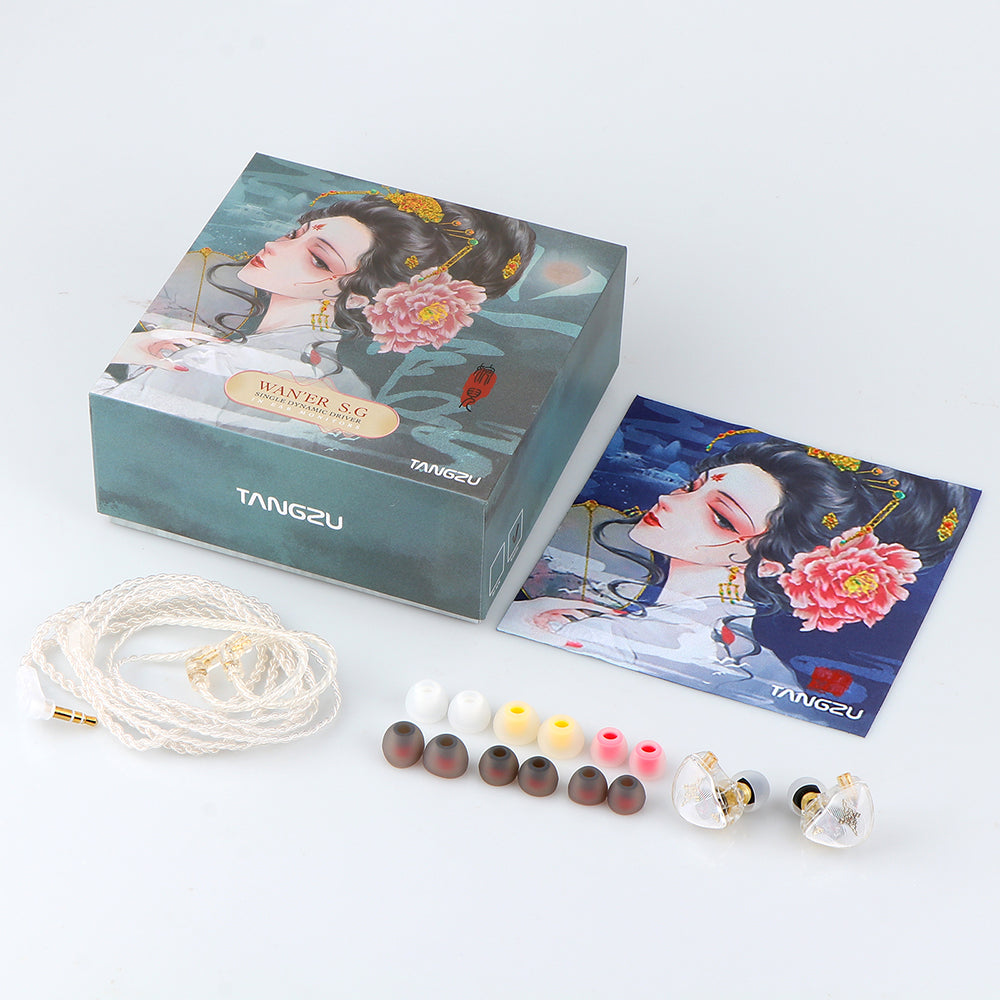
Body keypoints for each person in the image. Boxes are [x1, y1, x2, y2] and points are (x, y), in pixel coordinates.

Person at [502, 438, 971, 711]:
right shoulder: (754, 660)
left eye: (721, 517)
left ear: (770, 563)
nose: (668, 500)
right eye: (692, 486)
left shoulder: (657, 643)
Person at [97, 190, 537, 446]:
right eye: (296, 234)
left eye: (319, 259)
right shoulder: (347, 386)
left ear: (362, 297)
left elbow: (117, 423)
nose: (276, 246)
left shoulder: (233, 366)